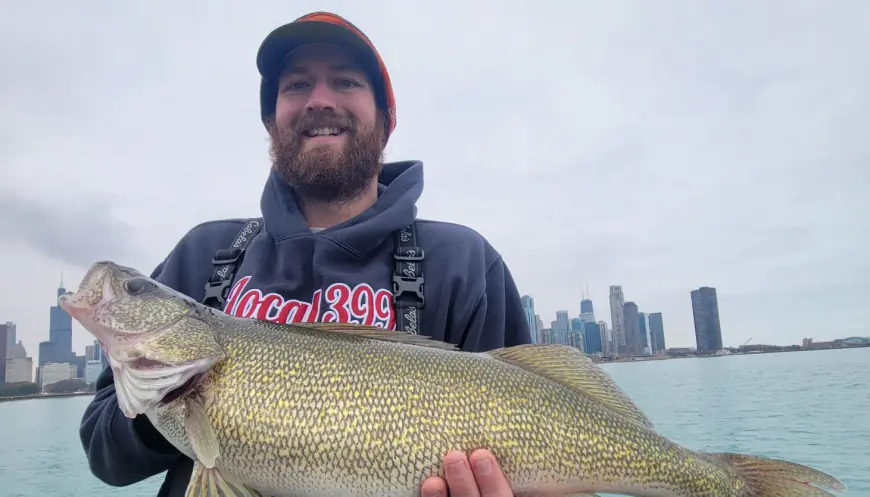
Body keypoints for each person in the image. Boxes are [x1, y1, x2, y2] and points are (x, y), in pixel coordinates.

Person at [79, 11, 530, 497]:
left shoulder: (465, 263)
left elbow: (529, 403)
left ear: (385, 116)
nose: (319, 100)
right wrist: (173, 398)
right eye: (296, 86)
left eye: (345, 81)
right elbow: (106, 457)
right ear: (272, 118)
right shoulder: (203, 253)